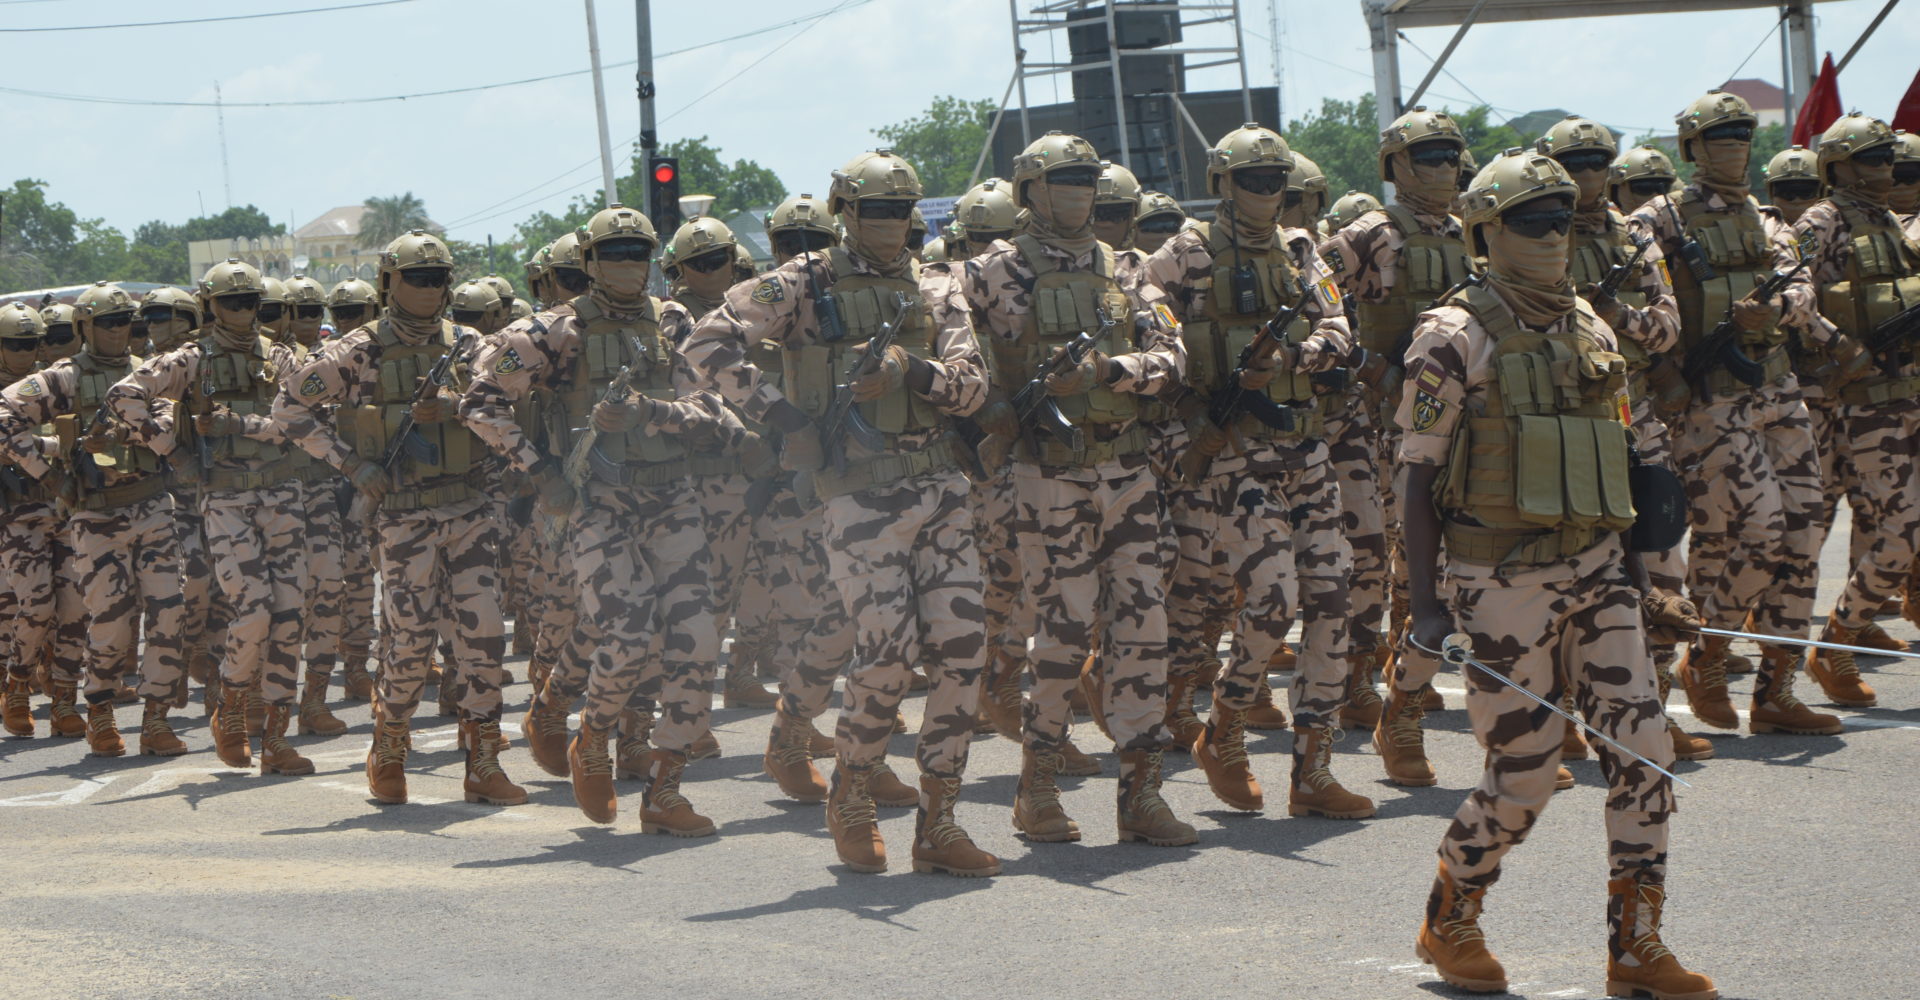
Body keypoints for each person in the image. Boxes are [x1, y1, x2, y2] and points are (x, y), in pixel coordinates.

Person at [1401, 148, 1714, 1000]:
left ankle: (1635, 947)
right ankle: (1451, 914)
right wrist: (1426, 606)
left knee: (1646, 755)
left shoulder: (1592, 326)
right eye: (1532, 221)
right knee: (1527, 773)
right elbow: (1416, 476)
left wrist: (1656, 579)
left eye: (1561, 220)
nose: (1552, 235)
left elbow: (1629, 456)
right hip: (1497, 579)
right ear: (1486, 232)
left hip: (1598, 570)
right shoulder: (1451, 334)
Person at [682, 149, 999, 877]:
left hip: (941, 491)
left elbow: (971, 386)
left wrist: (907, 372)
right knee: (886, 655)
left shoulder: (937, 288)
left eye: (901, 208)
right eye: (874, 208)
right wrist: (782, 415)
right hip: (858, 498)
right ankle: (852, 794)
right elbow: (706, 341)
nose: (890, 222)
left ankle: (939, 822)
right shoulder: (801, 283)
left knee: (962, 653)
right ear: (845, 212)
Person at [460, 205, 736, 834]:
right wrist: (541, 471)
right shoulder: (552, 332)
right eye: (614, 254)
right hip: (596, 502)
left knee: (695, 639)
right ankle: (593, 738)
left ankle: (665, 789)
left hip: (672, 497)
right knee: (630, 627)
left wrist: (651, 416)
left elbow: (716, 412)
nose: (628, 266)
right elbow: (479, 403)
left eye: (638, 252)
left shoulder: (674, 322)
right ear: (588, 263)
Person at [1140, 123, 1372, 819]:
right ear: (1222, 183)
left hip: (1303, 448)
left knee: (1334, 602)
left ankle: (1313, 770)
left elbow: (1340, 330)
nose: (1267, 193)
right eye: (1253, 180)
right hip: (1230, 454)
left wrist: (1292, 360)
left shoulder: (1302, 252)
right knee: (1272, 600)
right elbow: (1151, 345)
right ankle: (1228, 725)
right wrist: (1200, 394)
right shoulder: (1181, 257)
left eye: (1278, 182)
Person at [969, 131, 1195, 847]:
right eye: (1063, 177)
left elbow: (1173, 357)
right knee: (1063, 632)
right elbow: (961, 371)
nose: (1077, 188)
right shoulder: (986, 274)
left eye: (1086, 177)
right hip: (1046, 475)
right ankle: (1036, 787)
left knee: (1145, 629)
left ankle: (1142, 794)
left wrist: (1105, 374)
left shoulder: (1126, 269)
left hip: (1127, 470)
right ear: (1028, 188)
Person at [274, 231, 526, 806]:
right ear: (391, 282)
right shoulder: (356, 350)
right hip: (404, 517)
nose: (430, 288)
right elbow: (290, 407)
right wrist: (351, 464)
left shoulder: (469, 344)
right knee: (409, 640)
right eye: (418, 277)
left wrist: (456, 414)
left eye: (439, 277)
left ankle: (483, 761)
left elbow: (506, 402)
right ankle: (389, 747)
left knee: (482, 635)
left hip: (467, 507)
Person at [1628, 90, 1851, 737]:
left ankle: (1774, 690)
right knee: (1757, 529)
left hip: (1776, 390)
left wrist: (1772, 313)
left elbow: (1801, 286)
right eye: (1720, 137)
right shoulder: (1656, 223)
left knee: (1805, 534)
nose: (1734, 147)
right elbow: (1638, 308)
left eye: (1742, 136)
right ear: (1691, 148)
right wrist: (1668, 365)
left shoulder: (1765, 219)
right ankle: (1707, 650)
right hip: (1706, 401)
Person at [1536, 115, 1710, 762]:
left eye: (1596, 163)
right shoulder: (1524, 232)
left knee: (1664, 571)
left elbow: (1670, 325)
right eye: (1572, 163)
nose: (1585, 176)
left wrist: (1620, 318)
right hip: (1564, 435)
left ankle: (1651, 711)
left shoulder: (1635, 236)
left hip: (1636, 424)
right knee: (1572, 577)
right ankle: (1563, 714)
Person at [1320, 106, 1477, 786]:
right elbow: (1313, 307)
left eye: (1450, 155)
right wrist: (1363, 364)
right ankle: (1359, 680)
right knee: (1368, 559)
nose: (1443, 168)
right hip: (1374, 421)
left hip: (1454, 421)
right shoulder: (1365, 235)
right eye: (1429, 156)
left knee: (1438, 570)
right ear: (1397, 167)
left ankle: (1401, 693)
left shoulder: (1480, 231)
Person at [107, 258, 310, 775]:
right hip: (225, 500)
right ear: (209, 305)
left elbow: (304, 422)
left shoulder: (283, 357)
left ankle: (277, 737)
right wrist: (171, 450)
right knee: (256, 607)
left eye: (250, 302)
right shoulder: (191, 359)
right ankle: (233, 708)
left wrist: (236, 423)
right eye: (230, 302)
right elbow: (124, 396)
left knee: (291, 613)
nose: (242, 311)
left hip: (281, 493)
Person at [0, 282, 187, 757]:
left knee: (169, 609)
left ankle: (156, 719)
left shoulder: (149, 373)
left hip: (151, 504)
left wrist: (148, 431)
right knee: (111, 616)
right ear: (85, 327)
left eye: (127, 322)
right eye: (107, 322)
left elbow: (171, 423)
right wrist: (51, 470)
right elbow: (4, 414)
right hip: (94, 515)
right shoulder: (64, 379)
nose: (118, 330)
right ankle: (99, 709)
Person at [1794, 113, 1920, 709]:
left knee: (1900, 531)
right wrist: (1837, 344)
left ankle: (1845, 632)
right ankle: (1835, 641)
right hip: (1865, 404)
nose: (1884, 168)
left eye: (1887, 157)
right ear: (1838, 165)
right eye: (1871, 158)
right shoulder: (1824, 220)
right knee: (1903, 534)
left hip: (1907, 392)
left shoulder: (1887, 220)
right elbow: (1790, 294)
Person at [662, 215, 783, 712]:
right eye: (700, 263)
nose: (712, 270)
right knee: (712, 595)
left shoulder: (753, 310)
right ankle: (688, 706)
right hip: (712, 474)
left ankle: (743, 672)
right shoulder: (675, 316)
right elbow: (680, 376)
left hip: (769, 464)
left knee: (767, 585)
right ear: (680, 270)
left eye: (720, 260)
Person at [0, 302, 70, 739]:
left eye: (31, 343)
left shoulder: (47, 388)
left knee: (72, 606)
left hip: (57, 506)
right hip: (10, 514)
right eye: (14, 343)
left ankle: (63, 698)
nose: (24, 352)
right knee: (21, 609)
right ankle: (17, 686)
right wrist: (51, 443)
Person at [1609, 145, 1682, 217]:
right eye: (1645, 188)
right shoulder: (1606, 225)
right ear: (1618, 191)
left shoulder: (1679, 225)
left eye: (1664, 187)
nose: (1657, 197)